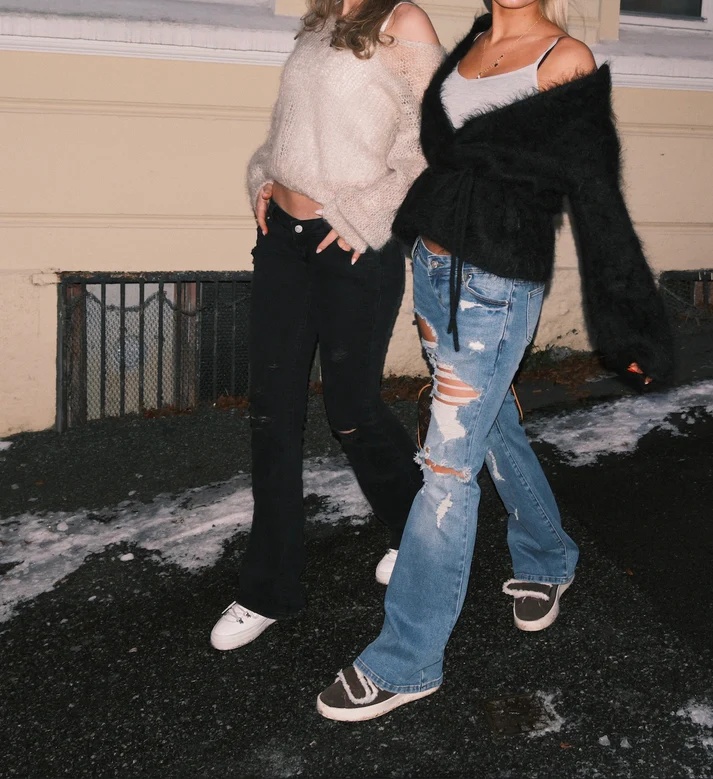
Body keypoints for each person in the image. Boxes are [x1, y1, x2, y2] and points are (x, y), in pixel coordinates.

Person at [317, 0, 674, 720]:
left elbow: (594, 191)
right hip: (434, 270)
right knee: (490, 428)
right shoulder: (473, 46)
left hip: (496, 286)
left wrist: (631, 324)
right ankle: (548, 555)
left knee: (446, 468)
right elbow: (431, 155)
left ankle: (406, 659)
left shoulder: (563, 60)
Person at [209, 0, 444, 651]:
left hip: (352, 247)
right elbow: (291, 129)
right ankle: (267, 589)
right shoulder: (318, 21)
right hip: (282, 241)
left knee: (352, 411)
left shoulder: (404, 21)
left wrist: (364, 216)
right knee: (272, 414)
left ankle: (421, 534)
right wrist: (264, 175)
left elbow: (431, 145)